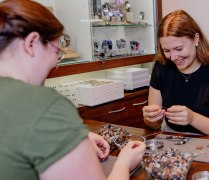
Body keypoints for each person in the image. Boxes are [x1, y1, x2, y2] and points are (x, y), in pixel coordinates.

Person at [0, 0, 146, 180]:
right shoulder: (46, 105)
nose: (56, 64)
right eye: (56, 52)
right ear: (32, 43)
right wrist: (124, 162)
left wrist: (73, 138)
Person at [143, 10, 209, 138]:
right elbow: (153, 125)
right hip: (172, 142)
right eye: (166, 50)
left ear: (196, 39)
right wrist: (151, 119)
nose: (173, 57)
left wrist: (193, 118)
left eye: (179, 49)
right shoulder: (161, 67)